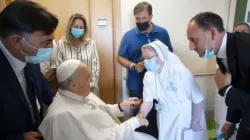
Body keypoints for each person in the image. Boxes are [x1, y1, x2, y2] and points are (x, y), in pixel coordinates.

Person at [39, 59, 157, 140]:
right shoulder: (62, 116)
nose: (92, 83)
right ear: (72, 84)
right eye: (88, 78)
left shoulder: (76, 93)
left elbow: (99, 109)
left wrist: (121, 106)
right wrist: (135, 121)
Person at [187, 12, 250, 140]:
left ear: (212, 33)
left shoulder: (246, 49)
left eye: (194, 40)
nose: (191, 47)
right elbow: (240, 85)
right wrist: (231, 121)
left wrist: (226, 89)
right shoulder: (221, 53)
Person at [0, 1, 58, 140]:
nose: (51, 48)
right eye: (46, 43)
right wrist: (18, 138)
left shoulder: (29, 56)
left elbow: (42, 86)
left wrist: (65, 103)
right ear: (17, 42)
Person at [117, 2, 173, 138]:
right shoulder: (128, 36)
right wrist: (133, 66)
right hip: (136, 83)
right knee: (140, 116)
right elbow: (120, 57)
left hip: (159, 82)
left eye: (144, 18)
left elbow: (169, 54)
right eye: (137, 19)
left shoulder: (162, 33)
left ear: (151, 16)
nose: (140, 22)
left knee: (157, 114)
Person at [138, 40, 208, 140]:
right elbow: (148, 101)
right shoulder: (149, 76)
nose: (146, 61)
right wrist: (141, 114)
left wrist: (195, 121)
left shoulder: (180, 72)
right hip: (165, 116)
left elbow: (198, 99)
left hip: (184, 117)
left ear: (161, 56)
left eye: (149, 58)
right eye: (144, 58)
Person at [56, 13, 100, 96]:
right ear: (70, 28)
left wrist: (90, 85)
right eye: (76, 27)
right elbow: (59, 69)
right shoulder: (61, 44)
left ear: (84, 29)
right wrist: (69, 88)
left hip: (90, 90)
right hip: (69, 91)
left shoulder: (91, 43)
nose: (78, 29)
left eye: (81, 27)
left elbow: (96, 67)